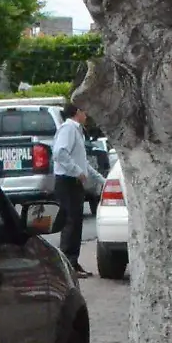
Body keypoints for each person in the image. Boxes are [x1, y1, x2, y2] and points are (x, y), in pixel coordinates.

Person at [51, 102, 102, 278]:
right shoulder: (68, 129)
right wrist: (76, 172)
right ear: (77, 112)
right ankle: (67, 265)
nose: (86, 115)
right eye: (84, 111)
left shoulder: (77, 130)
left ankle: (73, 261)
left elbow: (82, 160)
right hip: (67, 181)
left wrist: (99, 179)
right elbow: (59, 152)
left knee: (77, 223)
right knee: (70, 223)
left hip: (74, 182)